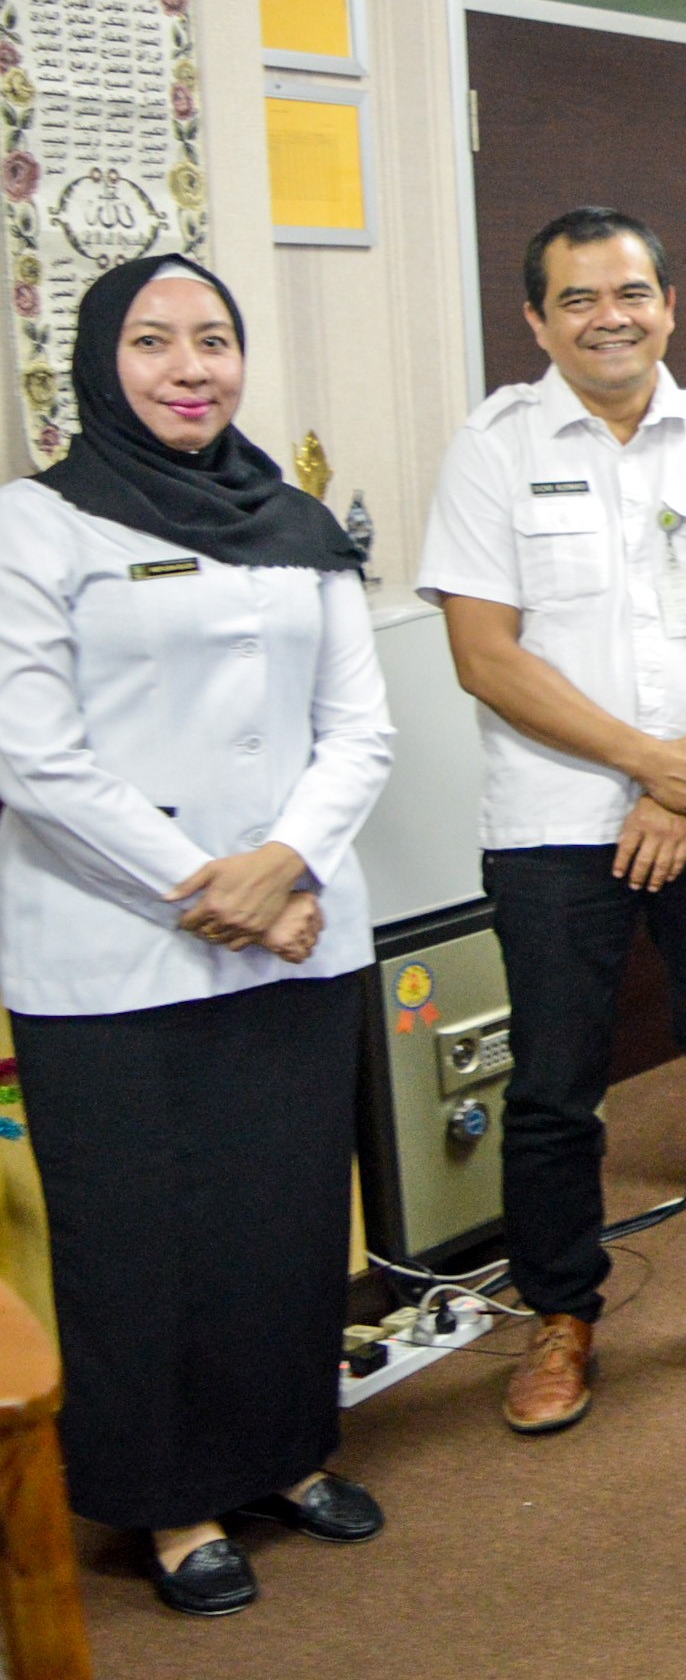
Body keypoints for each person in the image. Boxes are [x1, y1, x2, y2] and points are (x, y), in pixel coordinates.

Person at [417, 206, 686, 1438]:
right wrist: (648, 766)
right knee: (556, 1088)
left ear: (668, 304)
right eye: (577, 298)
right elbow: (483, 655)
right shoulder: (493, 448)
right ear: (535, 320)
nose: (607, 318)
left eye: (630, 294)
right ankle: (561, 1316)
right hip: (555, 823)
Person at [0, 256, 393, 1616]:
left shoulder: (293, 518)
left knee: (285, 1220)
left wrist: (286, 865)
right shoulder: (36, 525)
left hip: (296, 931)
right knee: (145, 1241)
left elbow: (361, 729)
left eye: (214, 340)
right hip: (113, 952)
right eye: (155, 341)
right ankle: (174, 1502)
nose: (190, 367)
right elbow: (34, 760)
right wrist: (211, 886)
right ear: (100, 364)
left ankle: (285, 1454)